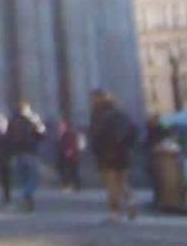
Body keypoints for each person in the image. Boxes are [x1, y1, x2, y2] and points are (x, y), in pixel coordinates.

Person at [87, 89, 139, 221]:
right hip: (124, 154)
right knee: (122, 182)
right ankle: (131, 199)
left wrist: (96, 151)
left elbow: (96, 135)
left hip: (107, 155)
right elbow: (133, 132)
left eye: (92, 99)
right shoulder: (121, 113)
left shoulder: (98, 114)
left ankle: (115, 214)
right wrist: (128, 148)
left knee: (111, 186)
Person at [4, 100, 46, 211]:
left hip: (18, 153)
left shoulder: (13, 120)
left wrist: (9, 153)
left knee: (24, 178)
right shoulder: (33, 119)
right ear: (27, 109)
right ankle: (27, 195)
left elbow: (8, 137)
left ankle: (27, 199)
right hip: (31, 151)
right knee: (33, 177)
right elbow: (42, 135)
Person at [55, 118, 84, 191]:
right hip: (64, 155)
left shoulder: (70, 133)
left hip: (70, 156)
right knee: (67, 171)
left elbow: (73, 143)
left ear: (66, 125)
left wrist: (70, 151)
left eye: (61, 125)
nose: (59, 126)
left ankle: (74, 186)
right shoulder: (61, 133)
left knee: (72, 171)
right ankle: (69, 185)